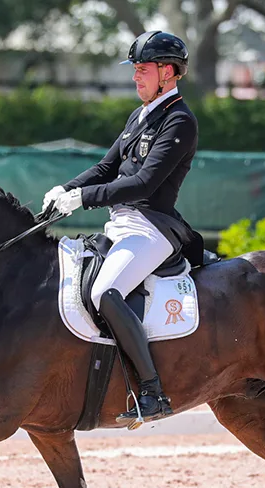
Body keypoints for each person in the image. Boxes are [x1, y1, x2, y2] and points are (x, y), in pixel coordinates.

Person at [43, 30, 204, 425]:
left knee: (105, 292)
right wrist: (67, 188)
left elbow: (144, 183)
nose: (135, 77)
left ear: (168, 72)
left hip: (152, 227)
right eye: (135, 69)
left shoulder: (179, 120)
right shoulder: (139, 116)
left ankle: (152, 391)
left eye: (142, 69)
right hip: (121, 223)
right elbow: (106, 167)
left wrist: (84, 198)